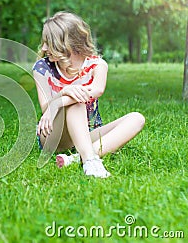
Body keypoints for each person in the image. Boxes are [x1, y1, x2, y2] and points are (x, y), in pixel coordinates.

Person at [33, 11, 145, 178]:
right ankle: (90, 161)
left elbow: (97, 90)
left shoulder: (98, 65)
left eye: (49, 43)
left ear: (68, 42)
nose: (43, 48)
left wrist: (57, 101)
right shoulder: (42, 68)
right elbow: (45, 108)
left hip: (85, 134)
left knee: (137, 118)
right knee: (76, 102)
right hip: (53, 137)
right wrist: (64, 92)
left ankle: (75, 158)